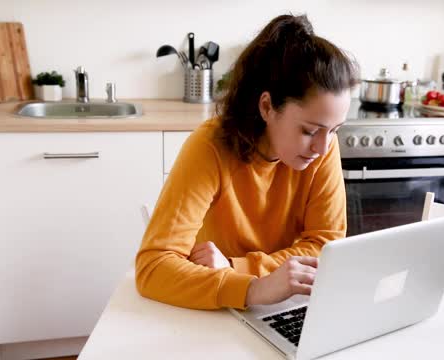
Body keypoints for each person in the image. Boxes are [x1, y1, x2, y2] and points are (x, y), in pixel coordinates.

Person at [136, 14, 359, 310]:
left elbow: (326, 246)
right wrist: (253, 289)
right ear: (267, 106)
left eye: (335, 130)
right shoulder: (209, 147)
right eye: (309, 131)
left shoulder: (323, 146)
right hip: (214, 304)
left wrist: (239, 267)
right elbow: (153, 268)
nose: (323, 146)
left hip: (287, 303)